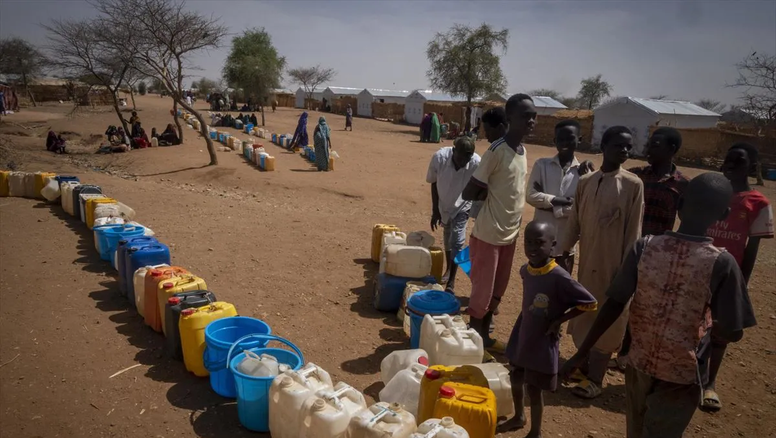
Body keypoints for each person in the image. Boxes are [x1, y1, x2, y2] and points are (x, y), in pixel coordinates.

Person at [561, 172, 756, 438]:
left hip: (639, 364)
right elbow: (733, 331)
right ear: (722, 215)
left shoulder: (645, 247)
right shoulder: (722, 264)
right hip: (682, 375)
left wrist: (581, 353)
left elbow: (613, 304)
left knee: (636, 431)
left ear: (679, 205)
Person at [556, 126, 644, 399]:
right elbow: (575, 223)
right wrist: (562, 252)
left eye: (628, 147)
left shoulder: (632, 185)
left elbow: (634, 232)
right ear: (604, 146)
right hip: (588, 262)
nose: (625, 151)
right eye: (619, 145)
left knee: (609, 320)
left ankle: (596, 379)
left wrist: (627, 272)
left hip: (615, 266)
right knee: (585, 313)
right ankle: (582, 366)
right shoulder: (586, 182)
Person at [498, 221, 597, 435]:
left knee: (534, 388)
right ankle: (518, 416)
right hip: (524, 331)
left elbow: (589, 303)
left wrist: (559, 320)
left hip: (542, 337)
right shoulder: (527, 270)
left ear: (553, 246)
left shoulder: (559, 276)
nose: (532, 248)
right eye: (528, 242)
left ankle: (536, 431)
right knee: (515, 376)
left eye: (539, 243)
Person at [461, 94, 536, 359]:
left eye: (534, 116)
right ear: (510, 118)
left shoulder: (522, 151)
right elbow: (471, 189)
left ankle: (485, 337)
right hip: (489, 234)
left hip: (510, 234)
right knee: (482, 291)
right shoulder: (496, 151)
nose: (532, 121)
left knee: (499, 290)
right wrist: (489, 196)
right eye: (526, 116)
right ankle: (474, 344)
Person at [701, 143, 772, 412]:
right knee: (693, 327)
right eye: (728, 158)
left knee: (720, 331)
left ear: (752, 166)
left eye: (738, 160)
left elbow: (751, 250)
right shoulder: (712, 191)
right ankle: (690, 378)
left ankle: (710, 384)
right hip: (698, 270)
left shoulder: (758, 203)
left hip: (727, 276)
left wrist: (740, 285)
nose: (730, 164)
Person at [614, 127, 689, 369]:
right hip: (629, 248)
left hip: (658, 253)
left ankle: (631, 352)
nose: (649, 148)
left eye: (656, 144)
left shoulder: (681, 185)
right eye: (649, 143)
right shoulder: (637, 176)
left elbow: (687, 221)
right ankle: (620, 350)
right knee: (621, 298)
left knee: (644, 304)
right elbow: (612, 175)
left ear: (672, 150)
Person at [527, 120, 594, 276]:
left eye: (570, 138)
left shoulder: (584, 172)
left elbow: (583, 207)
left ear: (579, 139)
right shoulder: (541, 165)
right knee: (538, 287)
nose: (564, 142)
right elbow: (531, 196)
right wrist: (565, 201)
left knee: (562, 286)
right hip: (540, 243)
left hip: (566, 242)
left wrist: (547, 203)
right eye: (560, 139)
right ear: (554, 141)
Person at [427, 136, 481, 293]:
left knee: (457, 240)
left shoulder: (477, 163)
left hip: (463, 204)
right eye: (460, 156)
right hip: (444, 203)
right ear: (453, 151)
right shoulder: (440, 158)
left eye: (467, 157)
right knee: (448, 236)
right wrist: (435, 210)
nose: (463, 161)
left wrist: (476, 209)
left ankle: (451, 282)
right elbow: (433, 182)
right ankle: (449, 268)